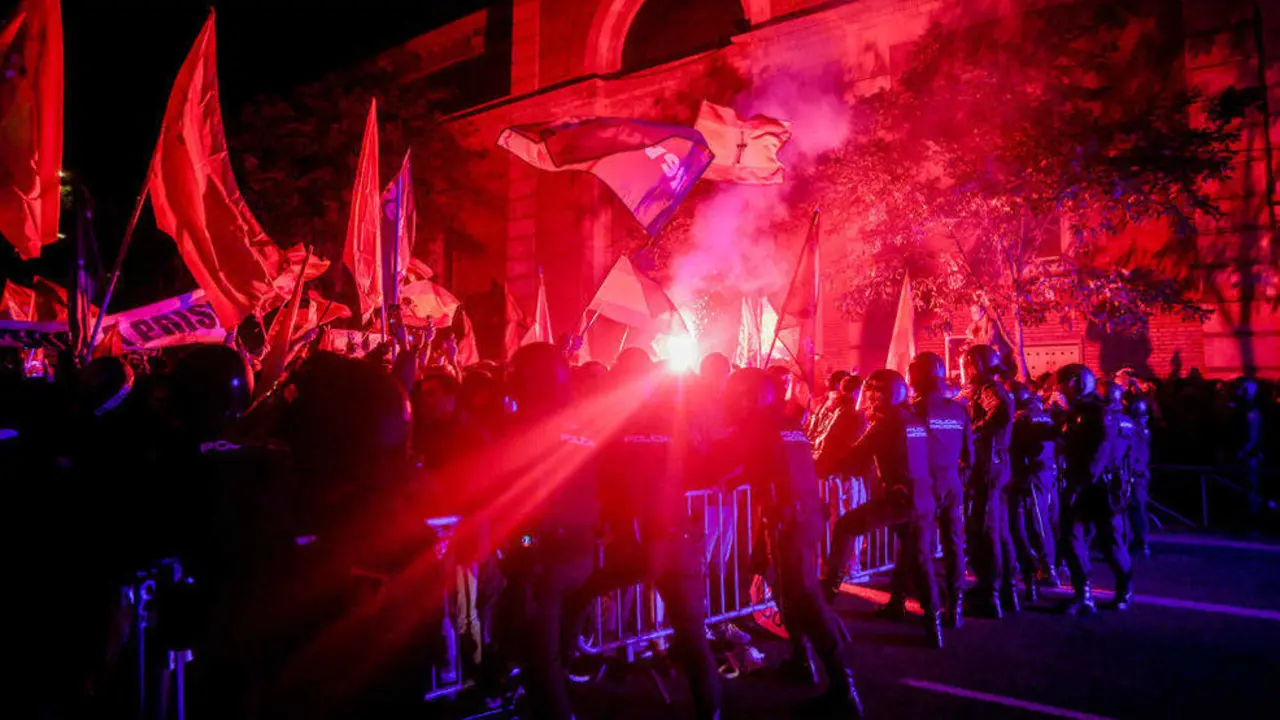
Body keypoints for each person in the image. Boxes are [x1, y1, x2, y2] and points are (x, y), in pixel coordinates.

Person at [567, 348, 722, 719]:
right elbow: (704, 466)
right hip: (679, 539)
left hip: (642, 542)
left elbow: (598, 474)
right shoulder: (676, 418)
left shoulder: (618, 422)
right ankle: (710, 711)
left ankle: (559, 676)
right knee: (692, 633)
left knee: (577, 593)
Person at [719, 368, 863, 714]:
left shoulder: (756, 427)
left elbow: (725, 465)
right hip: (803, 518)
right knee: (790, 593)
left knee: (806, 601)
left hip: (791, 521)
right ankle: (802, 661)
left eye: (738, 395)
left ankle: (844, 692)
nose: (734, 402)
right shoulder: (788, 425)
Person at [821, 369, 942, 650]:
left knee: (846, 526)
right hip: (923, 497)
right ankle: (931, 626)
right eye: (871, 389)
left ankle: (828, 593)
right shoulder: (914, 418)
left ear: (895, 392)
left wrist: (816, 466)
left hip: (901, 499)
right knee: (919, 559)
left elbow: (854, 457)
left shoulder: (886, 423)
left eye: (880, 391)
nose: (873, 396)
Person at [1056, 364, 1133, 614]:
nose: (1060, 388)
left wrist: (1081, 484)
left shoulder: (1098, 412)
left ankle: (1124, 591)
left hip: (1100, 487)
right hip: (1081, 483)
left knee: (1111, 543)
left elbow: (1100, 453)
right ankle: (1083, 594)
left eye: (1064, 383)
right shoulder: (1078, 411)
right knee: (1072, 538)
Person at [908, 352, 972, 629]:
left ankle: (932, 610)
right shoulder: (959, 410)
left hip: (923, 484)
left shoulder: (915, 410)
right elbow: (970, 454)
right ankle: (955, 606)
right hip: (952, 483)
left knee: (919, 547)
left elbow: (909, 451)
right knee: (954, 544)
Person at [960, 345, 1017, 618]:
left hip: (988, 466)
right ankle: (1006, 591)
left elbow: (1001, 412)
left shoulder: (989, 389)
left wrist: (972, 432)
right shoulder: (988, 388)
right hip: (996, 465)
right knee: (998, 529)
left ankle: (989, 593)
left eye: (967, 364)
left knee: (985, 529)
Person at [1009, 381, 1060, 603]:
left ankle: (1047, 569)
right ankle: (1047, 566)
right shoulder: (1043, 414)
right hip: (1044, 473)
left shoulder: (1023, 418)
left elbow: (1015, 446)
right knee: (1041, 521)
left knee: (1035, 523)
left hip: (1030, 475)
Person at [1125, 397, 1153, 557]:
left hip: (1136, 473)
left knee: (1136, 508)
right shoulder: (1143, 430)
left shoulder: (1136, 431)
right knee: (1136, 508)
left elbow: (1134, 453)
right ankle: (1140, 541)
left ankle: (1142, 541)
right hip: (1140, 472)